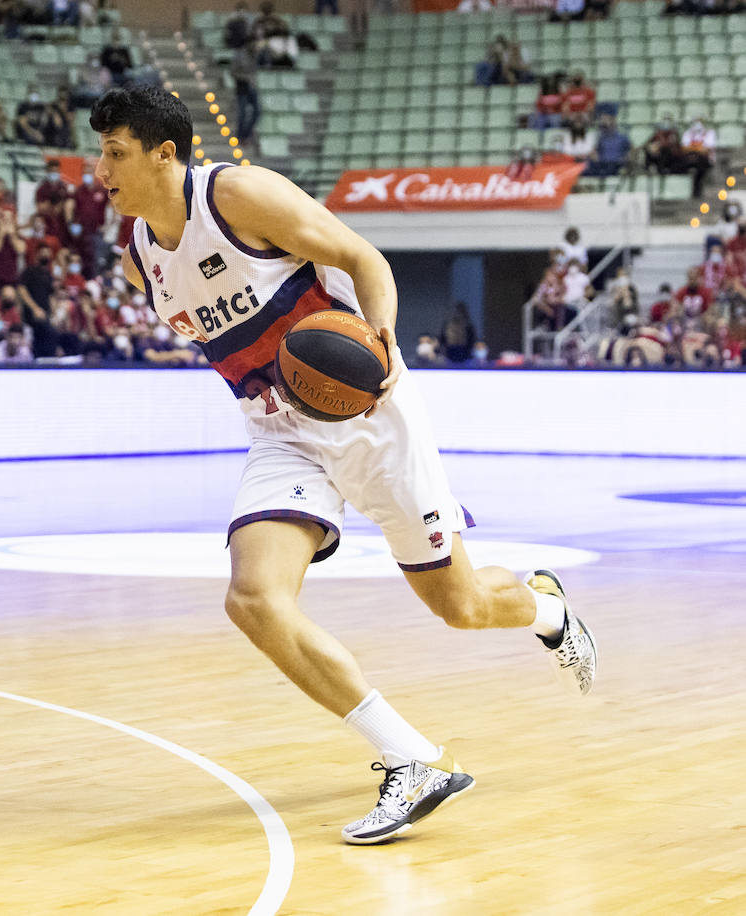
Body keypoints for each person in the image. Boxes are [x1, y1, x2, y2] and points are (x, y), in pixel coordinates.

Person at [89, 86, 597, 845]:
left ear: (165, 153)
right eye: (100, 151)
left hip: (367, 416)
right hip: (280, 434)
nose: (101, 170)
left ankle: (547, 609)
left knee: (459, 606)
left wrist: (381, 338)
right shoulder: (138, 256)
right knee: (253, 599)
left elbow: (361, 256)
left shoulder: (239, 196)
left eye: (115, 152)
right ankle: (412, 760)